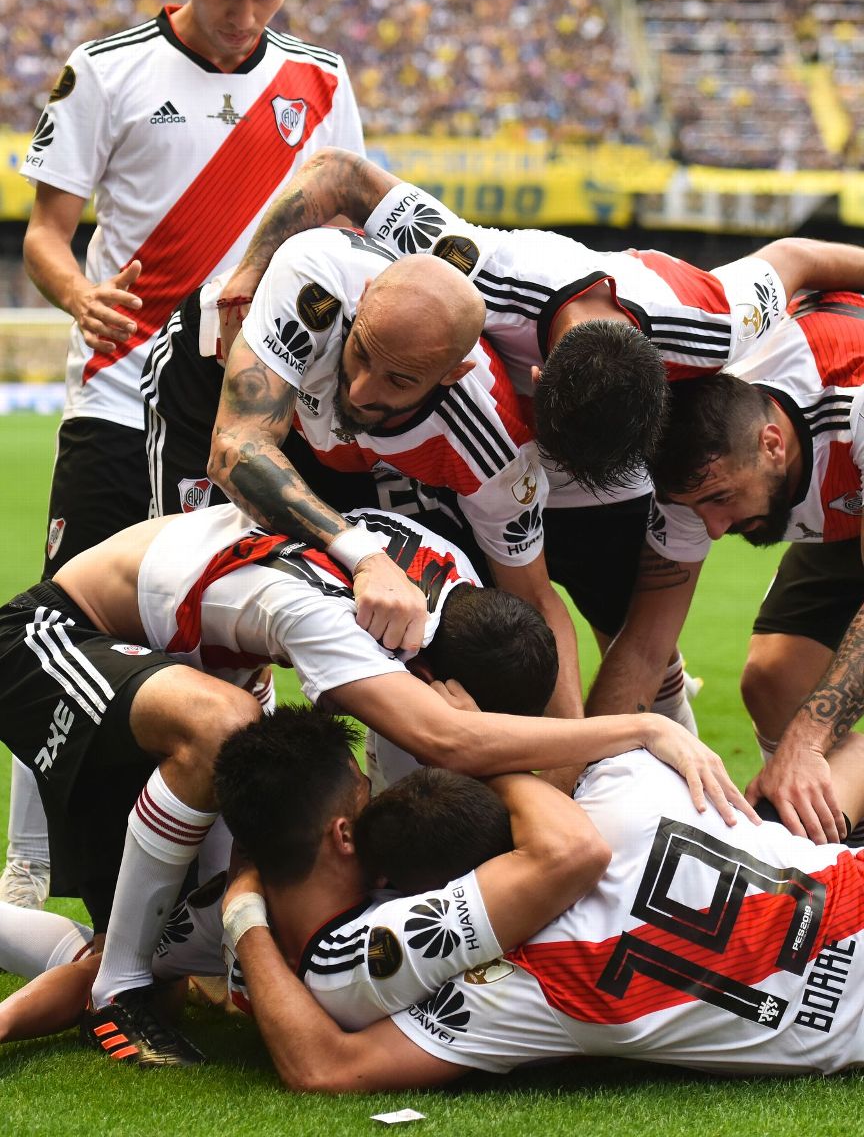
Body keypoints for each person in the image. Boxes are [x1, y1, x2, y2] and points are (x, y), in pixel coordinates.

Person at [0, 500, 744, 1066]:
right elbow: (448, 738)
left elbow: (443, 746)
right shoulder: (349, 628)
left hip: (200, 660)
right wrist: (645, 728)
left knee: (158, 942)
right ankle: (118, 991)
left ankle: (124, 968)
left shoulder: (455, 591)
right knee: (222, 732)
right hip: (62, 634)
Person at [212, 147, 864, 742]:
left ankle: (667, 766)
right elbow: (339, 174)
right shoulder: (466, 263)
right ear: (536, 378)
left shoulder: (713, 323)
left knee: (633, 632)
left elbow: (797, 258)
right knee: (467, 629)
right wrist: (248, 273)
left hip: (615, 466)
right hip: (480, 451)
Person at [5, 0, 366, 909]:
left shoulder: (320, 82)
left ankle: (209, 882)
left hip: (250, 413)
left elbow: (339, 227)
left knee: (231, 634)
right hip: (118, 401)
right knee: (63, 629)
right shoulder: (104, 72)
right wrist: (79, 298)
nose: (244, 16)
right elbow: (45, 236)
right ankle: (30, 865)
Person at [225, 731, 864, 1089]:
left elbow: (325, 1066)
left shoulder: (514, 990)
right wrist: (477, 747)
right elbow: (568, 844)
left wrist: (242, 911)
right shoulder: (625, 779)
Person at [145, 228, 583, 725]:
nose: (359, 389)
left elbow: (535, 599)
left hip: (348, 448)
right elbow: (234, 450)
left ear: (452, 374)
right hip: (215, 380)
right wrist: (367, 556)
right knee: (185, 598)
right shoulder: (316, 279)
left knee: (438, 621)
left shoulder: (493, 453)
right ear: (365, 294)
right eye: (363, 352)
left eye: (398, 379)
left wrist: (568, 766)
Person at [0, 706, 613, 1058]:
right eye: (365, 791)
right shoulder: (245, 908)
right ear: (343, 834)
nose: (378, 796)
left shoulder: (407, 882)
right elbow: (108, 974)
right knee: (143, 978)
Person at [587, 290, 864, 845]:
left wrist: (807, 744)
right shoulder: (701, 460)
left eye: (721, 500)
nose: (714, 529)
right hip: (845, 509)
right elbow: (644, 644)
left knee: (806, 735)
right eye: (697, 509)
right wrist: (581, 793)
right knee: (774, 679)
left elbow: (797, 253)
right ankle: (824, 843)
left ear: (771, 445)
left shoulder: (853, 407)